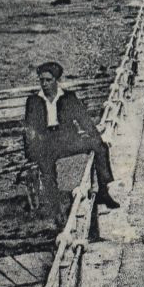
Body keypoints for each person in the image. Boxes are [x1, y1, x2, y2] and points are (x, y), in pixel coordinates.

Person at [22, 61, 119, 224]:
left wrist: (96, 138)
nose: (44, 84)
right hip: (46, 142)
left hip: (67, 139)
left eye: (48, 80)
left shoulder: (68, 97)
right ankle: (56, 211)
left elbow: (84, 120)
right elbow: (29, 129)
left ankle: (104, 191)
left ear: (56, 80)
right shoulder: (33, 101)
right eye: (42, 80)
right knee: (47, 170)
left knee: (100, 147)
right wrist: (31, 153)